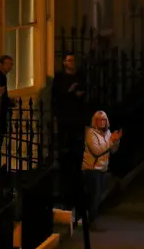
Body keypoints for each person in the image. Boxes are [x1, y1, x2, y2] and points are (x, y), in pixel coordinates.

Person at [52, 52, 87, 210]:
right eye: (69, 60)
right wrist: (70, 92)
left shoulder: (80, 76)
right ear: (64, 63)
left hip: (77, 119)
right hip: (65, 120)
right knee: (66, 156)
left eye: (74, 60)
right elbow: (57, 97)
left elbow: (85, 93)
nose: (72, 63)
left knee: (77, 156)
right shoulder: (60, 79)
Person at [82, 110, 122, 231]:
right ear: (95, 121)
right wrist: (110, 141)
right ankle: (90, 222)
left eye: (104, 119)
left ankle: (90, 220)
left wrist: (116, 140)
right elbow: (97, 150)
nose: (102, 122)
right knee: (94, 196)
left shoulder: (107, 133)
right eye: (99, 120)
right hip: (91, 169)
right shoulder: (91, 133)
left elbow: (113, 150)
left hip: (102, 169)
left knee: (97, 196)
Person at [0, 55, 15, 137]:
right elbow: (0, 93)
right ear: (1, 64)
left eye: (11, 64)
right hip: (1, 109)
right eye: (7, 64)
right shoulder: (0, 77)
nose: (10, 66)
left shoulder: (3, 76)